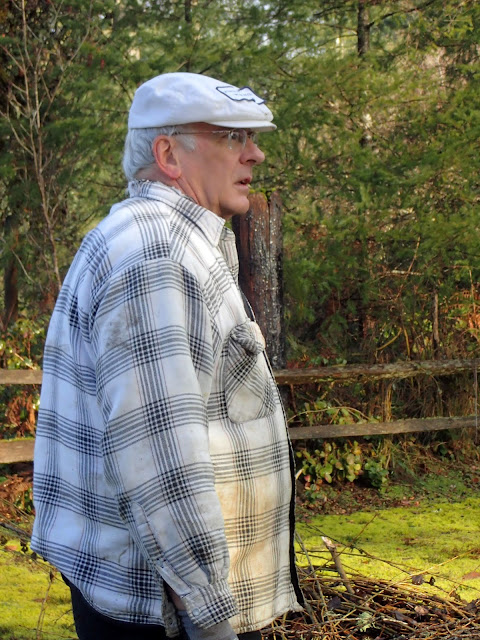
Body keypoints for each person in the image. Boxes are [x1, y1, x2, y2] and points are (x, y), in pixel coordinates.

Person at [32, 72, 303, 640]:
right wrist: (210, 616)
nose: (255, 154)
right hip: (169, 615)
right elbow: (162, 458)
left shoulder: (157, 240)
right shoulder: (157, 256)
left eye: (251, 138)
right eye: (232, 137)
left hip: (160, 602)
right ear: (168, 155)